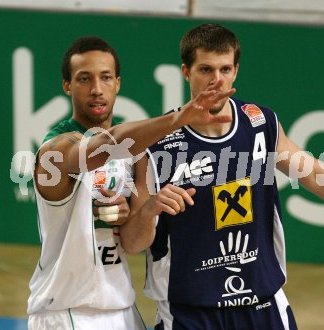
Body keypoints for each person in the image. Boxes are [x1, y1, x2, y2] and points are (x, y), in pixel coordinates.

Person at [118, 23, 324, 329]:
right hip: (190, 313)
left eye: (225, 69)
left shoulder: (260, 123)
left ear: (236, 71)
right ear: (187, 72)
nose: (216, 81)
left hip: (262, 307)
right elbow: (132, 243)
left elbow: (317, 175)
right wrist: (150, 208)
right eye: (206, 70)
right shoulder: (156, 145)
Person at [26, 36, 235, 330]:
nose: (97, 89)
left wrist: (148, 211)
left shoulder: (137, 155)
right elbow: (103, 147)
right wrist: (177, 119)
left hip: (121, 306)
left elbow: (135, 243)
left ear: (118, 83)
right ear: (67, 86)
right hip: (67, 308)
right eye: (84, 79)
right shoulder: (56, 150)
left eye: (105, 77)